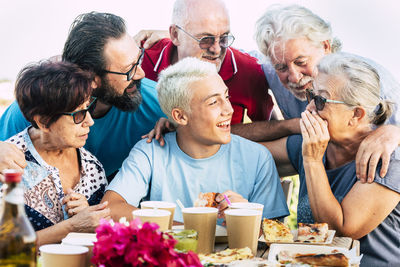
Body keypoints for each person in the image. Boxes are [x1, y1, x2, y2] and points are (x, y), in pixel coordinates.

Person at [102, 57, 289, 222]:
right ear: (180, 117)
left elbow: (274, 232)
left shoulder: (257, 157)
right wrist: (186, 232)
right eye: (214, 102)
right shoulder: (150, 152)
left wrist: (245, 215)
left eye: (226, 97)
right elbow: (111, 208)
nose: (229, 110)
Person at [264, 53, 400, 266]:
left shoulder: (387, 161)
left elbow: (341, 231)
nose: (309, 109)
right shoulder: (317, 143)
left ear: (355, 114)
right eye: (311, 96)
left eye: (320, 101)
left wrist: (312, 161)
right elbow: (248, 152)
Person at [0, 12, 165, 179]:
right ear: (91, 76)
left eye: (139, 60)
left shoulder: (159, 101)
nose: (141, 74)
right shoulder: (38, 107)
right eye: (128, 70)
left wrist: (177, 127)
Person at [255, 4, 400, 182]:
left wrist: (395, 132)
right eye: (281, 67)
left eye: (301, 62)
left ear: (325, 47)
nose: (293, 77)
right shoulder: (270, 71)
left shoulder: (373, 83)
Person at [138, 0, 300, 141]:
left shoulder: (249, 71)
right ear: (175, 34)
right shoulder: (141, 58)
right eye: (205, 40)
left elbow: (268, 125)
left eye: (224, 38)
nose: (216, 50)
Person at [0, 61, 110, 246]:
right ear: (43, 122)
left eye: (87, 108)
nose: (90, 121)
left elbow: (103, 239)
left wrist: (91, 218)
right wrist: (71, 227)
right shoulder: (7, 164)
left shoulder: (93, 168)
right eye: (78, 115)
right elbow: (5, 247)